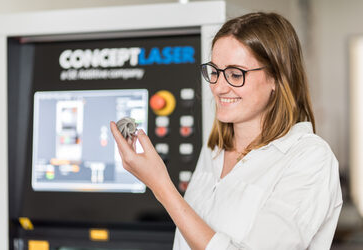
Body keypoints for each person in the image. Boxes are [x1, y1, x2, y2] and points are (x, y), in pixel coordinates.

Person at [110, 12, 342, 250]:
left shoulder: (310, 158)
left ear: (276, 77)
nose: (219, 87)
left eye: (235, 74)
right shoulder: (214, 150)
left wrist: (162, 186)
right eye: (214, 71)